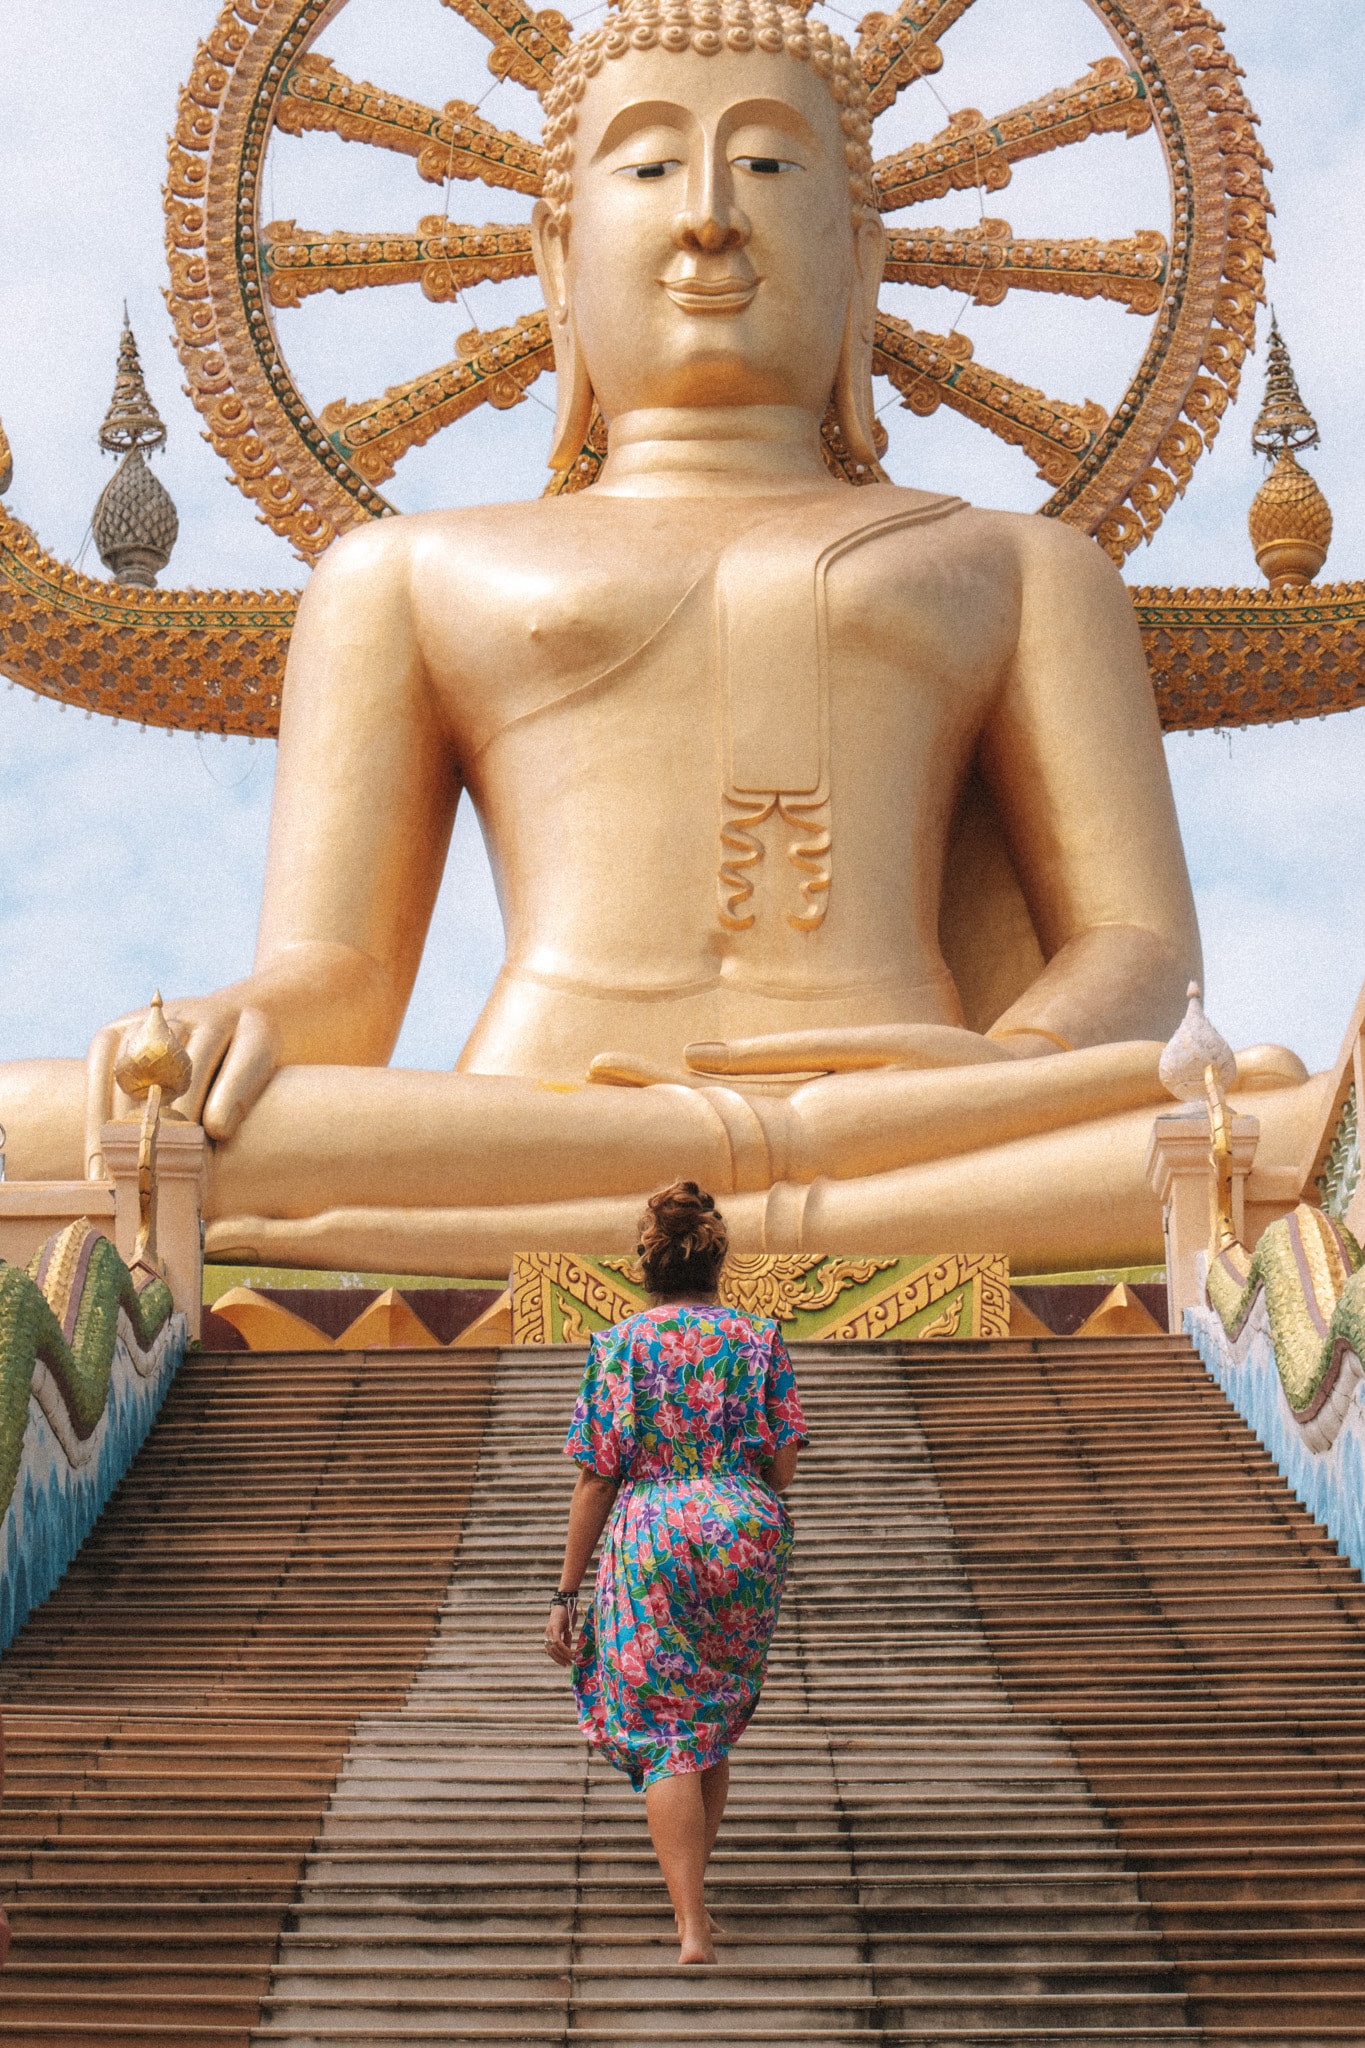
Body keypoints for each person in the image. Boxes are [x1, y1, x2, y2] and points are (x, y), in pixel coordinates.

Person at [545, 1178, 807, 1964]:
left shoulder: (619, 1347)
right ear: (716, 1260)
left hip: (655, 1526)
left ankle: (689, 1923)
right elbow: (784, 1462)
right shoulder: (757, 1338)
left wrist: (565, 1593)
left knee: (667, 1730)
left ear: (645, 1265)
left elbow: (596, 1476)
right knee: (713, 1713)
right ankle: (698, 1903)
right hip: (745, 1525)